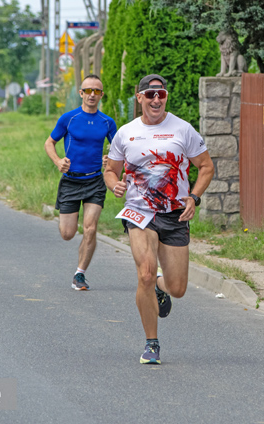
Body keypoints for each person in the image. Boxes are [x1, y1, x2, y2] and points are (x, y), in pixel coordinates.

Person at [104, 74, 214, 365]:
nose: (156, 99)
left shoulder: (182, 129)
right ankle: (151, 343)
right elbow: (110, 170)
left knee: (177, 288)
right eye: (150, 94)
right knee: (145, 272)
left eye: (161, 94)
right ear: (139, 97)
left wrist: (194, 197)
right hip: (139, 212)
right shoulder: (126, 133)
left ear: (166, 97)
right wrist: (113, 183)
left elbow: (205, 167)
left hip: (175, 213)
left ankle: (158, 287)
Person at [44, 75, 118, 291]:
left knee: (90, 228)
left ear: (101, 95)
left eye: (97, 91)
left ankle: (80, 274)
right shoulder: (69, 118)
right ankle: (79, 261)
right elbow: (50, 142)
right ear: (81, 93)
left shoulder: (107, 122)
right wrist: (58, 161)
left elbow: (118, 150)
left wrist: (109, 161)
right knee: (67, 234)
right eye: (88, 90)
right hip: (71, 181)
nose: (92, 95)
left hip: (95, 180)